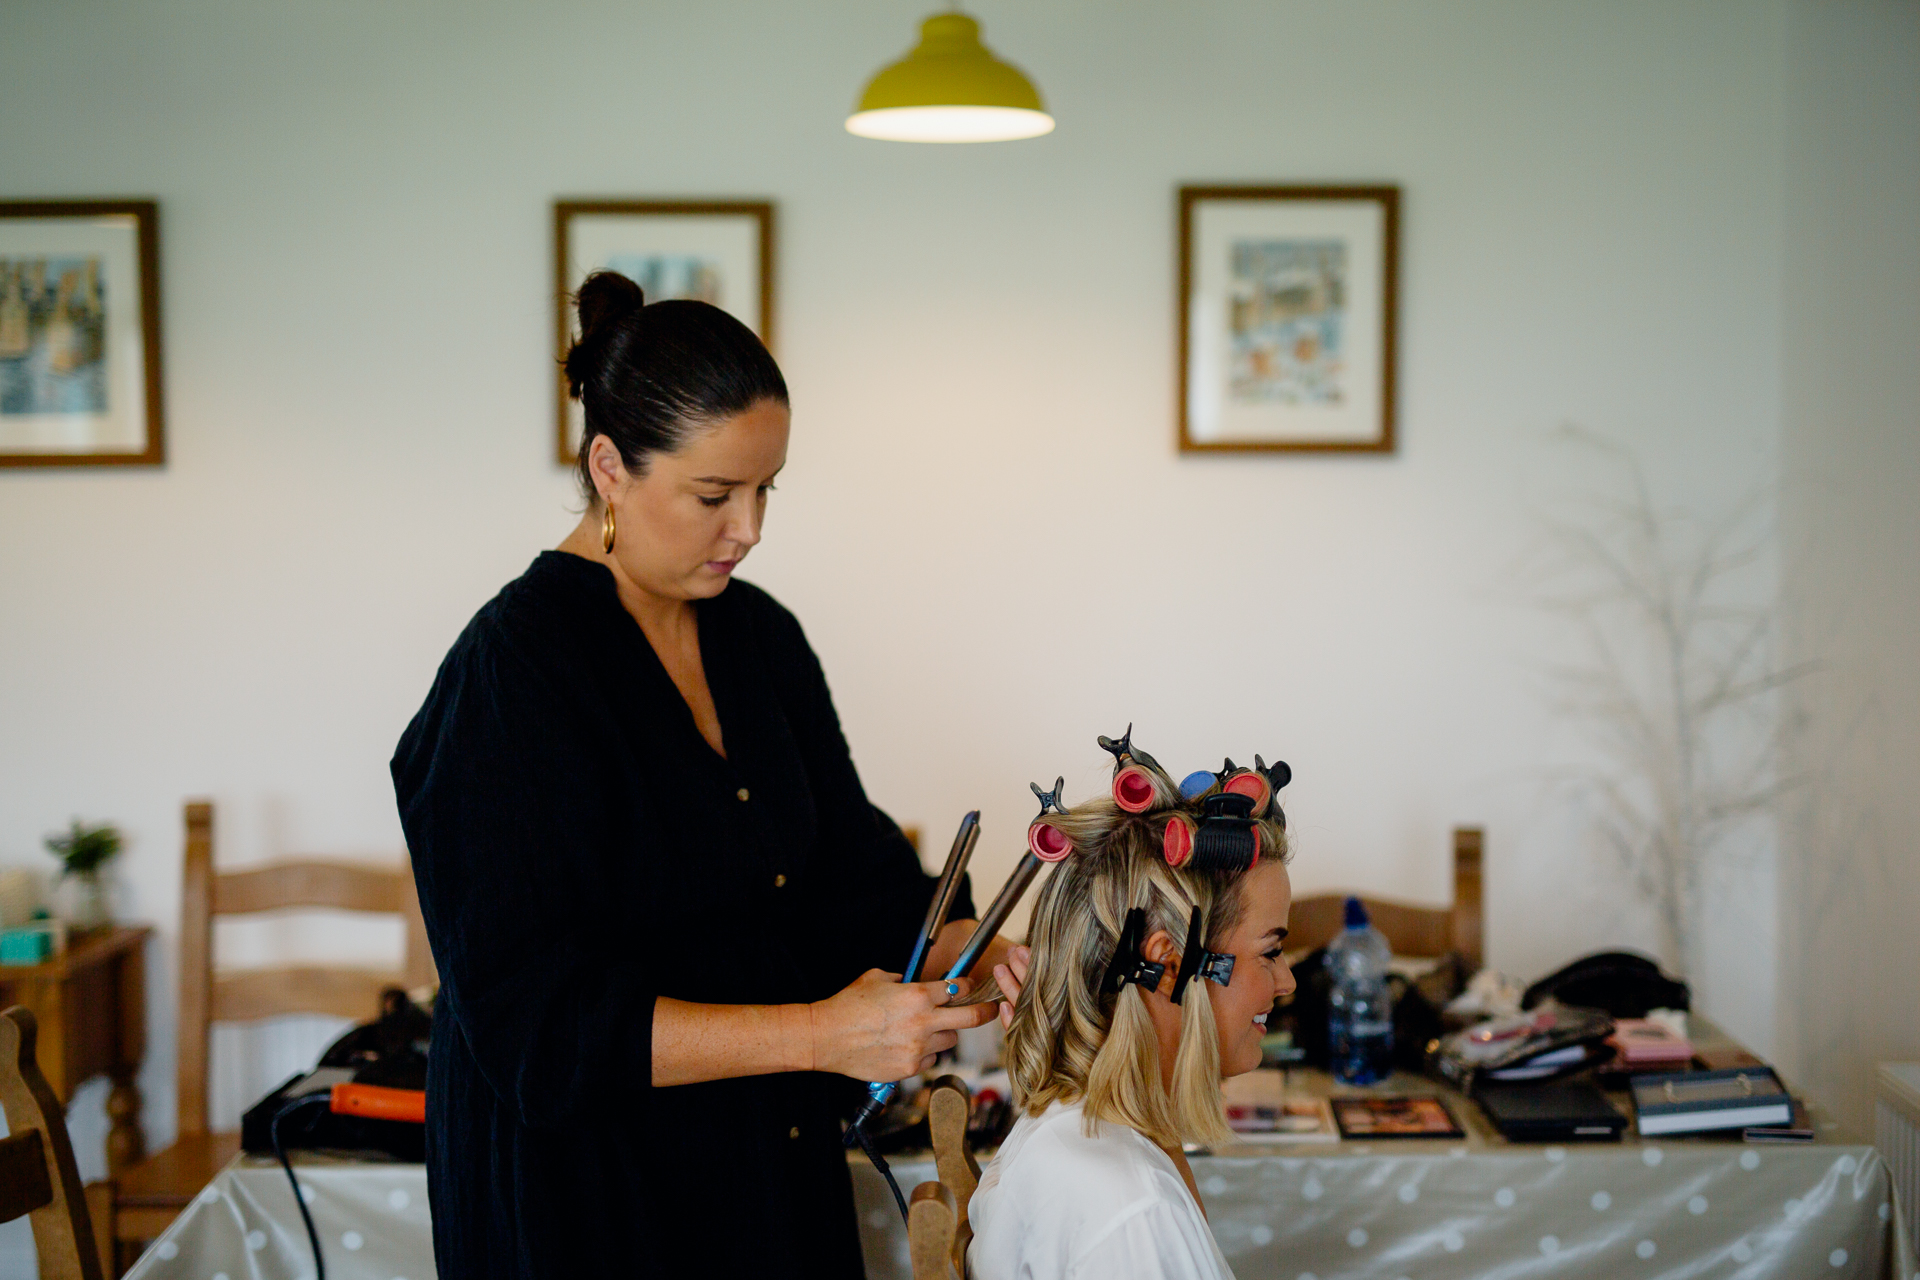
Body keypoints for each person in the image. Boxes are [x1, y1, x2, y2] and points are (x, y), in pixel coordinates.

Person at [391, 271, 1007, 1279]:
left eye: (767, 489)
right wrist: (820, 1032)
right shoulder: (511, 676)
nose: (751, 527)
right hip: (586, 1204)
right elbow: (541, 1030)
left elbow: (848, 871)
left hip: (766, 1171)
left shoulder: (760, 637)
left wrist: (957, 949)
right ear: (610, 467)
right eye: (715, 494)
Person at [966, 739, 1297, 1280]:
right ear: (1168, 962)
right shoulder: (1131, 1210)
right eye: (1272, 953)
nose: (1286, 981)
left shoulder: (1082, 1135)